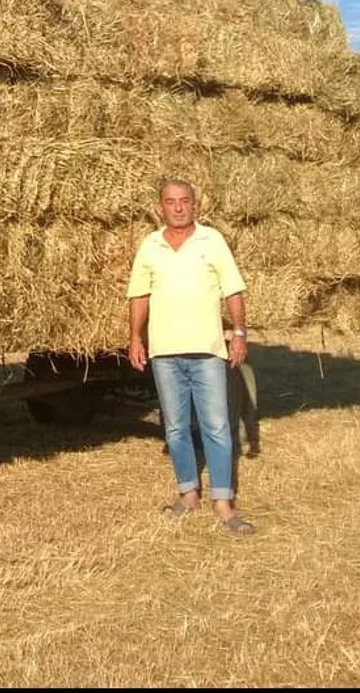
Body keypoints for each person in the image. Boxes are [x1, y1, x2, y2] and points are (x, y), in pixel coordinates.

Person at [127, 177, 255, 535]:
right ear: (160, 206)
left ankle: (223, 503)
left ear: (194, 205)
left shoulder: (211, 240)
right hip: (165, 353)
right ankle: (188, 493)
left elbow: (233, 290)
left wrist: (240, 334)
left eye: (185, 200)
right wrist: (136, 337)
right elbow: (139, 295)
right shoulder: (150, 245)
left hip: (208, 352)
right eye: (171, 201)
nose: (179, 207)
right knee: (175, 428)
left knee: (216, 426)